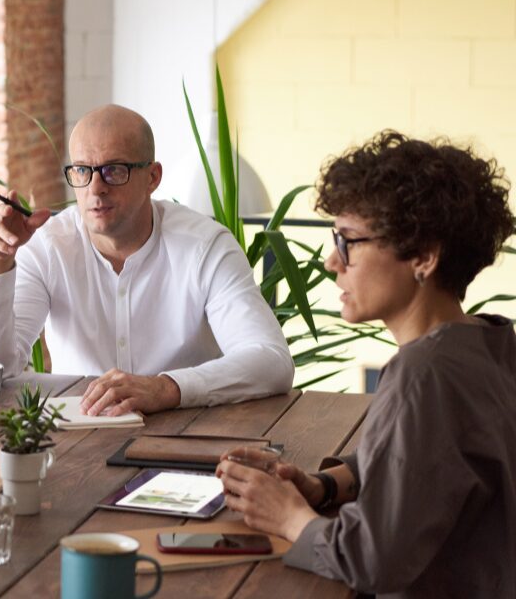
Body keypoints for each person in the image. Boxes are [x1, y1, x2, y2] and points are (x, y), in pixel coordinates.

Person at [217, 131, 516, 598]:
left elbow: (372, 560)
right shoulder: (489, 340)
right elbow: (426, 462)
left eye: (349, 241)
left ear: (424, 256)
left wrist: (289, 517)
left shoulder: (424, 375)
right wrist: (324, 487)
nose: (333, 260)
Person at [0, 104, 293, 416]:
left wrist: (165, 388)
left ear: (152, 177)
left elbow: (271, 361)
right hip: (78, 438)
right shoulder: (48, 246)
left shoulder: (205, 247)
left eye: (113, 170)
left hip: (187, 434)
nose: (96, 188)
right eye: (82, 170)